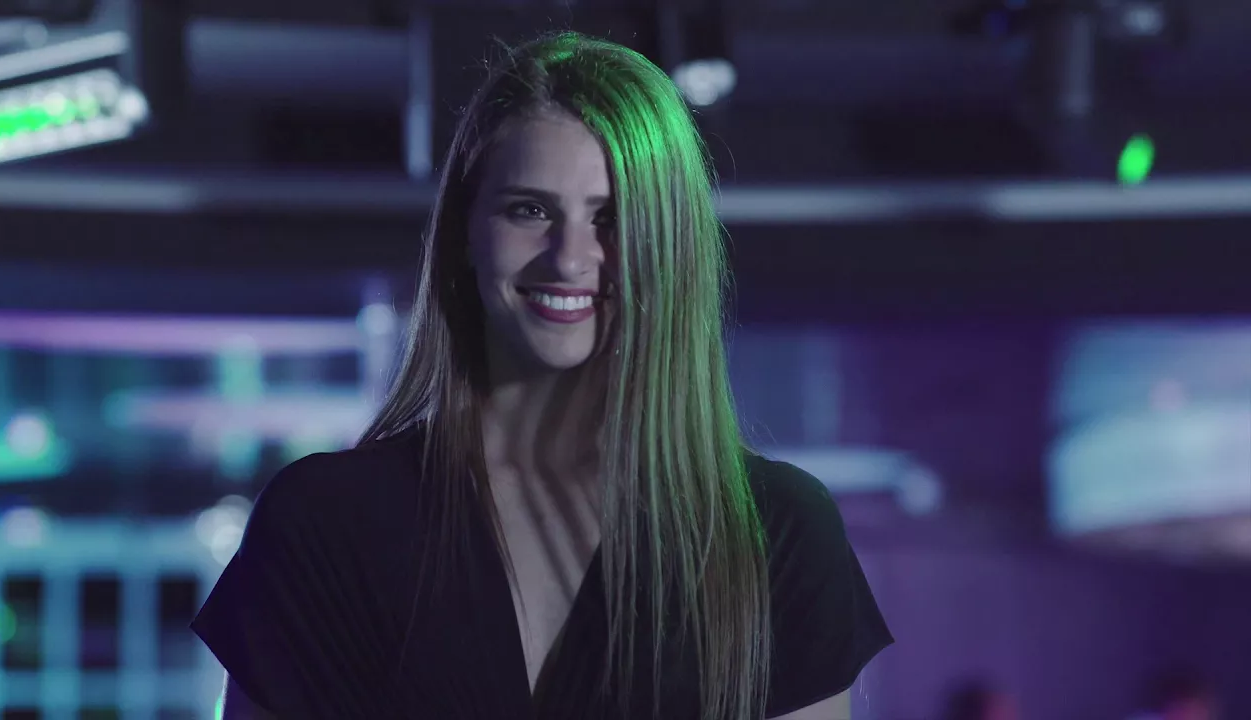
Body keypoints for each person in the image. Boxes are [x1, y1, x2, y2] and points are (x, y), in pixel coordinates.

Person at [191, 31, 893, 720]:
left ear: (671, 249)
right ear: (467, 231)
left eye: (612, 217)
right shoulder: (324, 520)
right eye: (529, 210)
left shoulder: (775, 535)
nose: (568, 258)